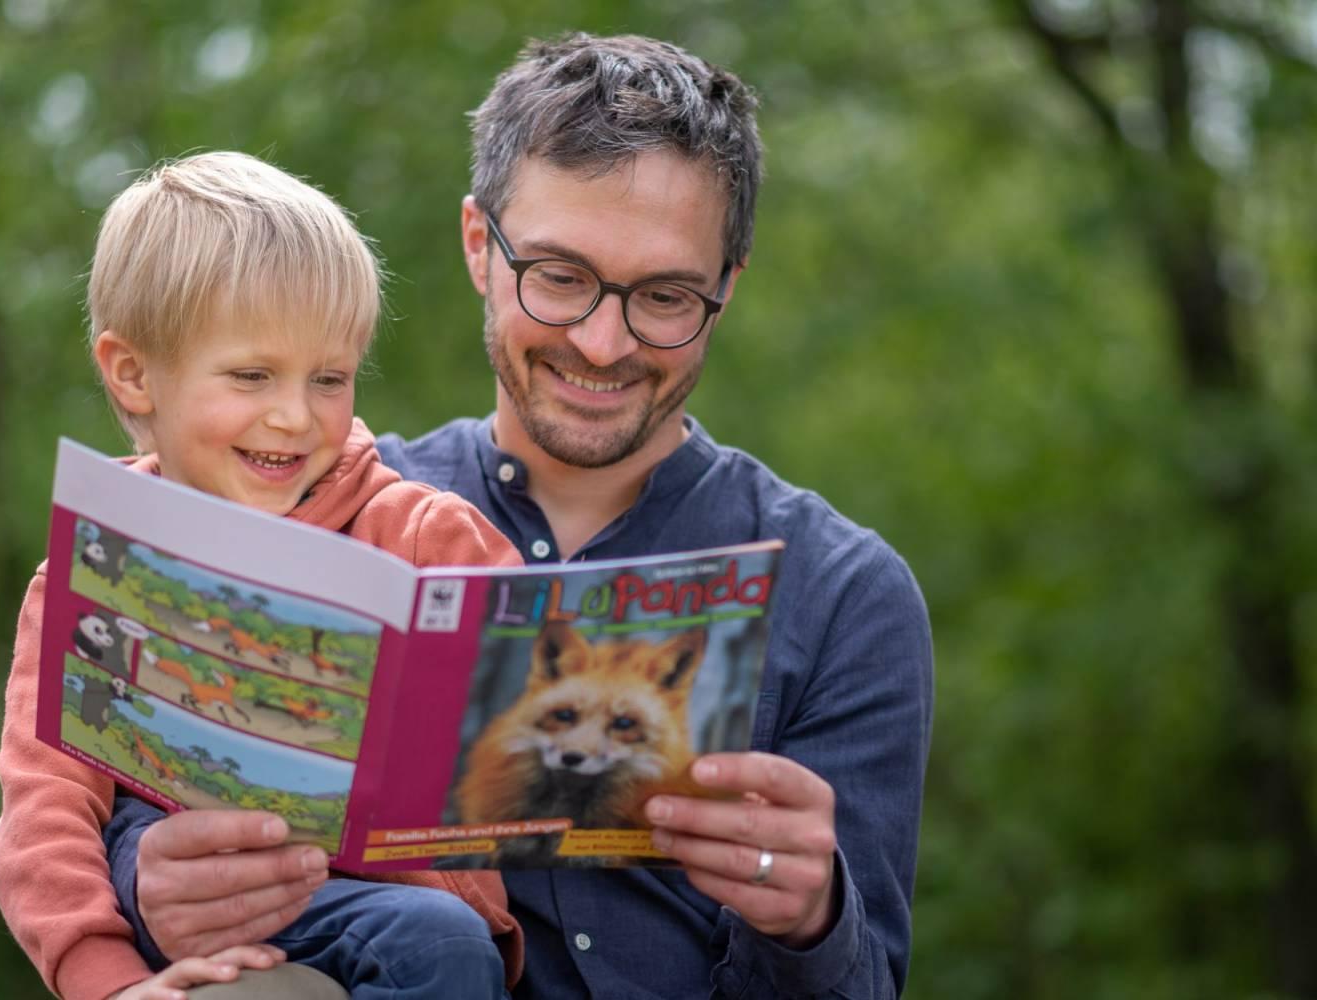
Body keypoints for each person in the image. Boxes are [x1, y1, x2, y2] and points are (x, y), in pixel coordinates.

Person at [105, 34, 934, 999]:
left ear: (726, 290)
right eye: (559, 276)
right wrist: (149, 879)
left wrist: (808, 916)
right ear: (477, 246)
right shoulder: (310, 509)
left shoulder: (843, 596)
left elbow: (867, 983)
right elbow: (127, 790)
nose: (601, 339)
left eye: (664, 296)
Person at [0, 151, 527, 1000]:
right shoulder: (92, 567)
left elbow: (525, 705)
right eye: (251, 375)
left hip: (390, 903)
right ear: (133, 374)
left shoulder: (421, 533)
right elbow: (41, 811)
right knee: (131, 825)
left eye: (329, 378)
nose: (294, 415)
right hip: (178, 902)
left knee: (441, 943)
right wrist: (109, 982)